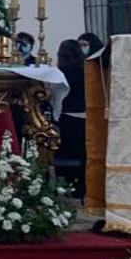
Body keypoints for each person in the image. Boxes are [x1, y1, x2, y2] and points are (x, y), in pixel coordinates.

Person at [55, 39, 87, 198]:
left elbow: (57, 97)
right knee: (82, 153)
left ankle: (69, 182)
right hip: (84, 116)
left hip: (68, 116)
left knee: (67, 152)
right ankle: (83, 185)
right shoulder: (86, 70)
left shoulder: (61, 73)